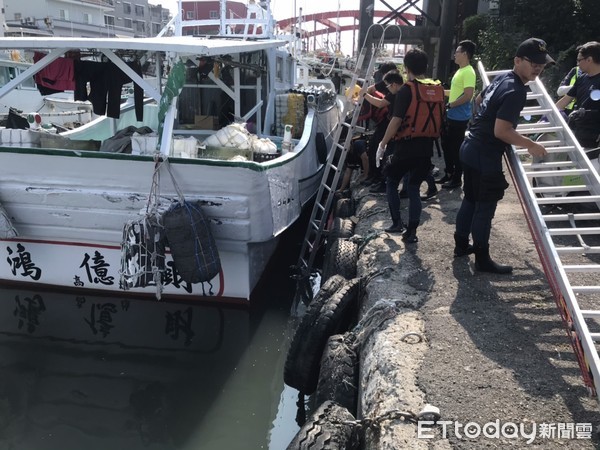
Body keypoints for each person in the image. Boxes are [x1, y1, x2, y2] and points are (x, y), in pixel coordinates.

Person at [453, 37, 550, 273]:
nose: (538, 67)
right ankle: (483, 259)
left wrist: (479, 125)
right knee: (484, 207)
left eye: (542, 64)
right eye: (533, 62)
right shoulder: (516, 90)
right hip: (484, 153)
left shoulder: (503, 78)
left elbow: (478, 100)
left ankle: (460, 246)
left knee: (470, 199)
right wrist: (531, 145)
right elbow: (502, 131)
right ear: (517, 61)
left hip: (470, 146)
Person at [376, 49, 444, 242]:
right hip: (426, 148)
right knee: (414, 187)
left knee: (390, 180)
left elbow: (396, 120)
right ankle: (412, 232)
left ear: (406, 68)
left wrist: (382, 144)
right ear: (426, 67)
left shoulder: (407, 89)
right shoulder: (436, 88)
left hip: (405, 147)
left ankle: (397, 223)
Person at [438, 40, 477, 189]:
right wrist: (438, 91)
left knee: (455, 148)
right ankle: (448, 173)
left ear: (465, 54)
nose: (455, 55)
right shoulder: (460, 71)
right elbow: (455, 93)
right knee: (446, 145)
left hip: (459, 117)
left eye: (457, 52)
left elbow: (468, 95)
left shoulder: (468, 71)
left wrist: (450, 105)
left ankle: (456, 179)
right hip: (452, 115)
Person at [556, 41, 600, 149]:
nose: (577, 64)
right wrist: (546, 117)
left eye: (579, 60)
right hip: (581, 134)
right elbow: (565, 101)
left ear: (589, 59)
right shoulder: (581, 79)